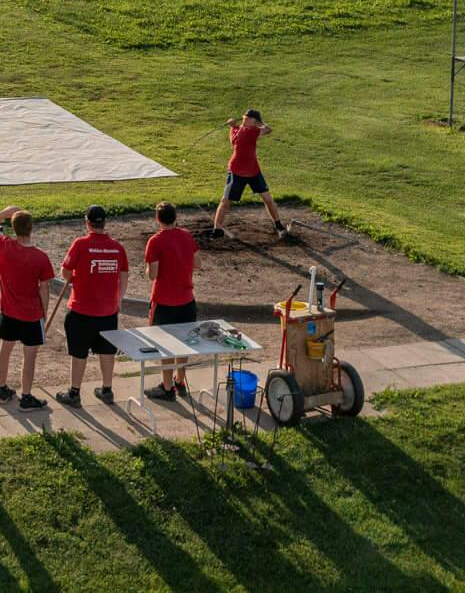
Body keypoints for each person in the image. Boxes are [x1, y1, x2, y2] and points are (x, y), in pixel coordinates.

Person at [49, 204, 130, 407]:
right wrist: (118, 300)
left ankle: (74, 393)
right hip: (108, 312)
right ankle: (107, 389)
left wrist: (77, 276)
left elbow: (65, 273)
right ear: (104, 223)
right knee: (106, 351)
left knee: (79, 352)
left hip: (81, 310)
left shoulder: (80, 244)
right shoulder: (118, 247)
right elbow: (124, 277)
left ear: (87, 223)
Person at [0, 205, 54, 410]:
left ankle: (3, 389)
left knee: (5, 349)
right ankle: (26, 396)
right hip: (32, 315)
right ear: (31, 228)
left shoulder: (4, 246)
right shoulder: (40, 257)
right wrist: (45, 313)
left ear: (13, 228)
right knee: (29, 355)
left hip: (8, 311)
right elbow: (44, 289)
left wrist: (1, 214)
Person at [143, 202, 200, 401]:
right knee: (183, 343)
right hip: (186, 299)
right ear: (176, 217)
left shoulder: (155, 241)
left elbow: (153, 275)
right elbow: (198, 263)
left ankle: (167, 388)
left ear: (158, 219)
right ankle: (180, 381)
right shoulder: (186, 235)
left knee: (165, 345)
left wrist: (148, 269)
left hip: (164, 301)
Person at [210, 109, 288, 240]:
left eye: (247, 118)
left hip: (253, 171)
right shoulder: (249, 131)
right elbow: (267, 129)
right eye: (244, 118)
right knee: (225, 201)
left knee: (268, 199)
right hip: (236, 172)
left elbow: (267, 129)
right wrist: (245, 125)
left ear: (254, 121)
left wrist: (234, 126)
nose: (244, 120)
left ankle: (278, 224)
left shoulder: (248, 131)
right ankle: (217, 229)